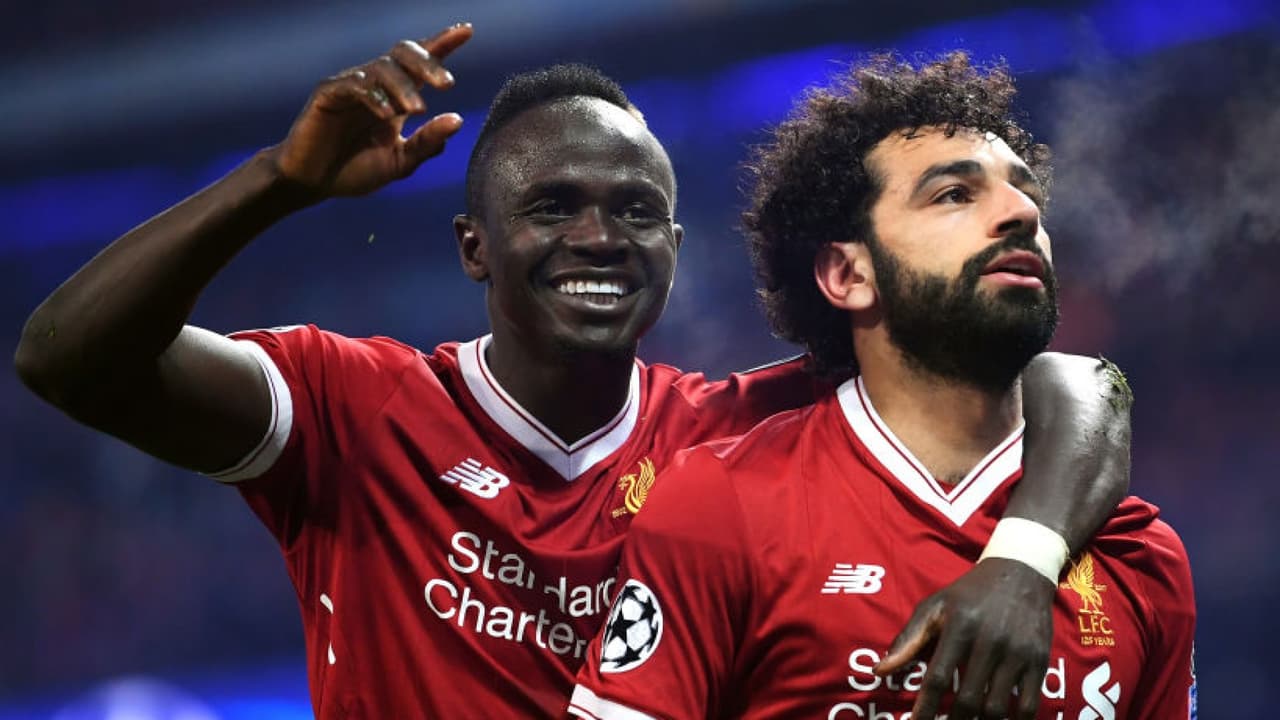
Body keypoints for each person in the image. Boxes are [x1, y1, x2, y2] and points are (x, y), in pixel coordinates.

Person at [15, 25, 1132, 719]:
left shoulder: (736, 438)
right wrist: (278, 180)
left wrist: (1022, 563)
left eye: (636, 212)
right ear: (474, 248)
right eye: (552, 206)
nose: (599, 238)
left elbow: (1077, 386)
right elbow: (66, 359)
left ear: (674, 249)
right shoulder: (350, 408)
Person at [569, 52, 1195, 720]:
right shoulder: (722, 504)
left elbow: (1097, 382)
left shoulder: (1142, 557)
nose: (1020, 213)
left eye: (1027, 194)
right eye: (953, 194)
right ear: (848, 275)